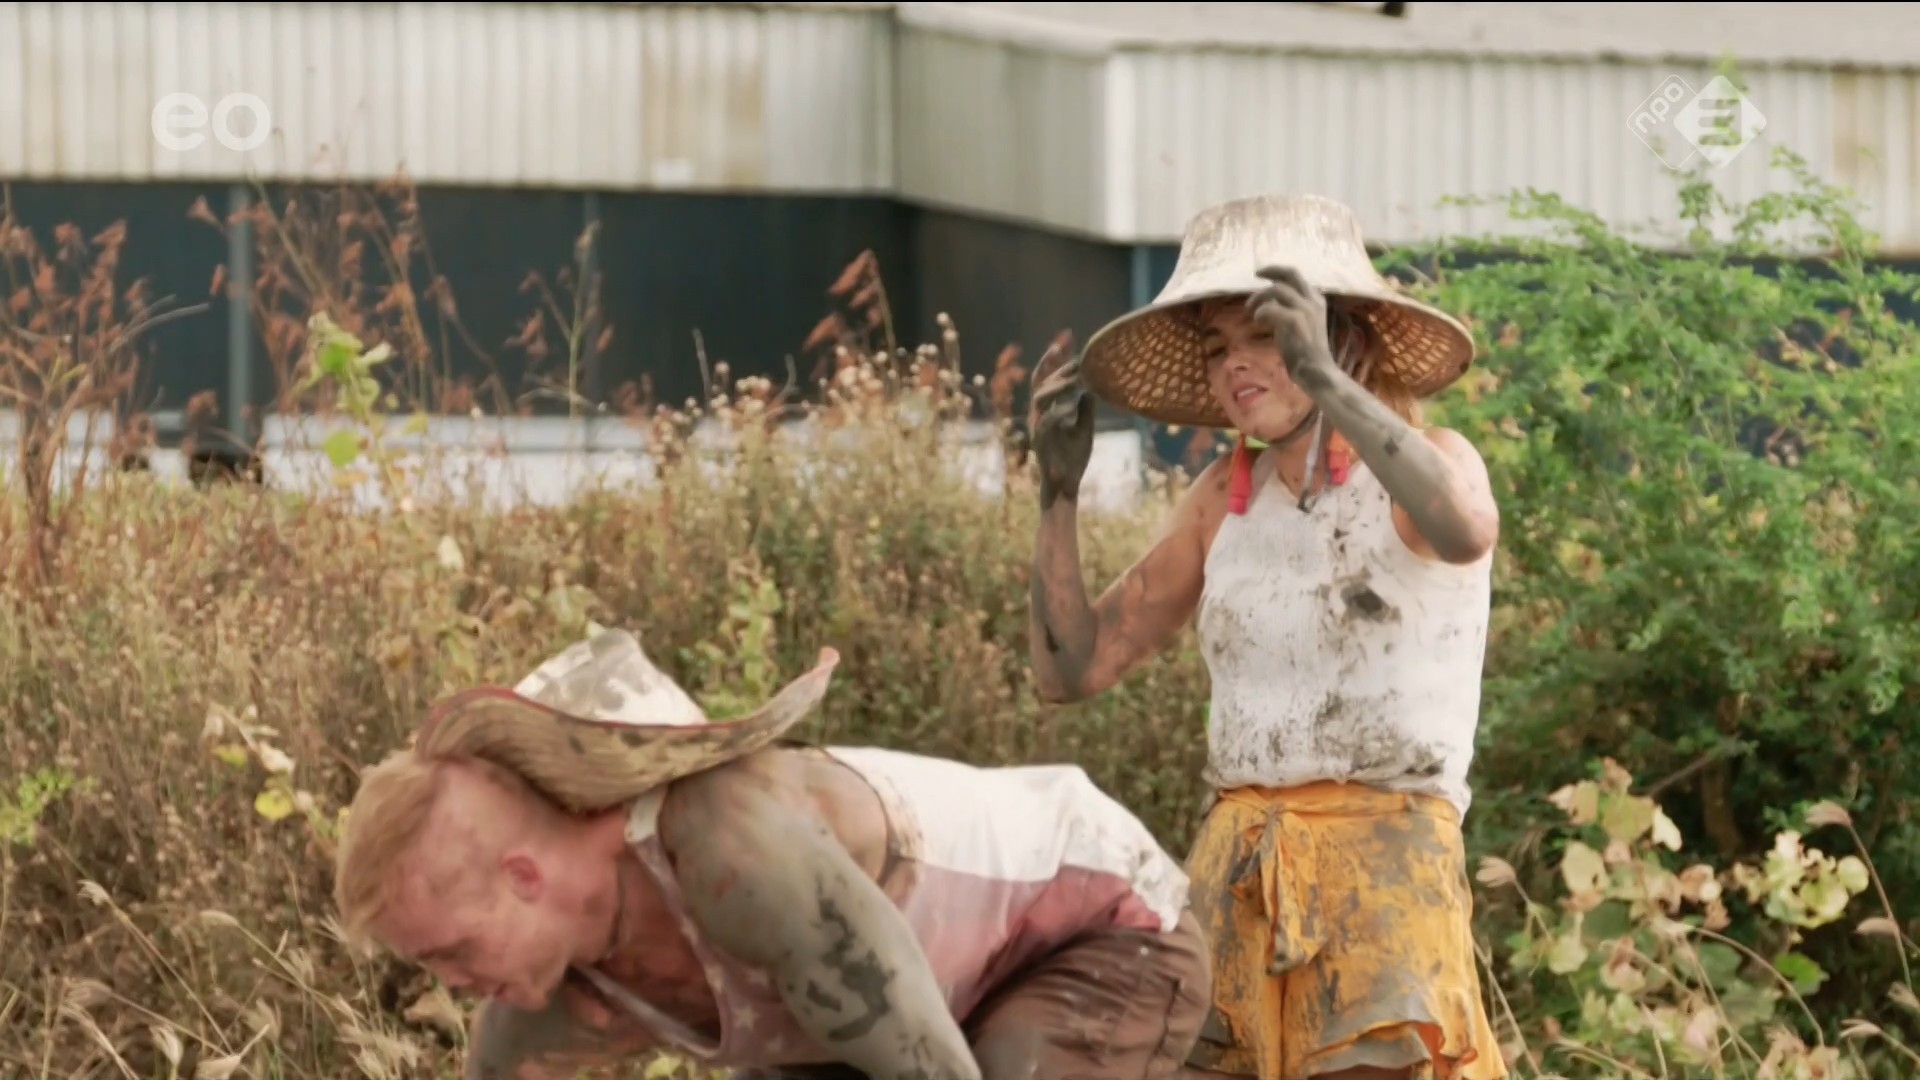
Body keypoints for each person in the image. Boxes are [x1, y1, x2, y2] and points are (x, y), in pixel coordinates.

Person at [1024, 193, 1507, 1080]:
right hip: (1235, 864)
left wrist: (1328, 383)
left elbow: (1465, 529)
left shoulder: (1432, 460)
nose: (1236, 364)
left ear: (1342, 339)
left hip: (1384, 862)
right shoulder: (1221, 499)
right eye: (1217, 348)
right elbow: (1071, 670)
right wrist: (1057, 494)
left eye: (1266, 335)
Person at [331, 626, 1213, 1080]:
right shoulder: (537, 1010)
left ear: (523, 877)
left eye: (452, 950)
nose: (450, 983)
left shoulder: (733, 853)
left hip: (1099, 932)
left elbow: (933, 1069)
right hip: (921, 1005)